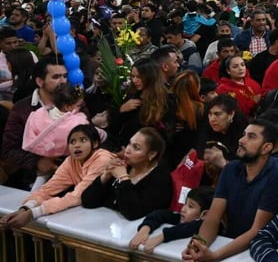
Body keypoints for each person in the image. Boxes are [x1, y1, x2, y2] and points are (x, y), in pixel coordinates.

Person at [183, 119, 278, 261]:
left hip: (259, 252)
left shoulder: (277, 177)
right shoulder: (230, 169)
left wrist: (215, 256)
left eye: (251, 137)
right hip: (229, 243)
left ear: (266, 148)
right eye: (243, 134)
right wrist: (197, 247)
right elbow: (214, 217)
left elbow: (256, 230)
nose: (241, 140)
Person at [0, 124, 113, 228]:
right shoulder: (71, 161)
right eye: (72, 142)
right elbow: (47, 190)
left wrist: (33, 213)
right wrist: (24, 209)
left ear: (95, 143)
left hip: (110, 213)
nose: (77, 145)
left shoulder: (103, 159)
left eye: (83, 140)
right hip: (90, 211)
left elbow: (77, 196)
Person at [2, 57, 68, 189]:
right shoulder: (22, 109)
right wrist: (37, 162)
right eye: (56, 77)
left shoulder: (75, 103)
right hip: (33, 178)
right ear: (39, 81)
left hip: (71, 174)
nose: (62, 81)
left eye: (65, 76)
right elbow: (9, 149)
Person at [81, 127, 173, 220]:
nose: (127, 150)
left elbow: (133, 214)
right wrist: (105, 177)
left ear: (152, 154)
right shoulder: (125, 166)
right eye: (129, 143)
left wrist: (123, 178)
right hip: (106, 224)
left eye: (136, 147)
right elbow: (87, 201)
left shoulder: (160, 179)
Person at [128, 186, 214, 253]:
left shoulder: (206, 226)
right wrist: (145, 229)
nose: (183, 209)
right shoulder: (182, 217)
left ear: (205, 214)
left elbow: (190, 227)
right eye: (185, 204)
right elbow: (161, 214)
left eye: (190, 206)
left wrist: (162, 236)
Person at [114, 56, 175, 147]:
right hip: (125, 146)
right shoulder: (133, 95)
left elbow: (166, 134)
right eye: (133, 76)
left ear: (150, 76)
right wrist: (121, 110)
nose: (134, 80)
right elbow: (115, 127)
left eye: (139, 77)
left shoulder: (166, 100)